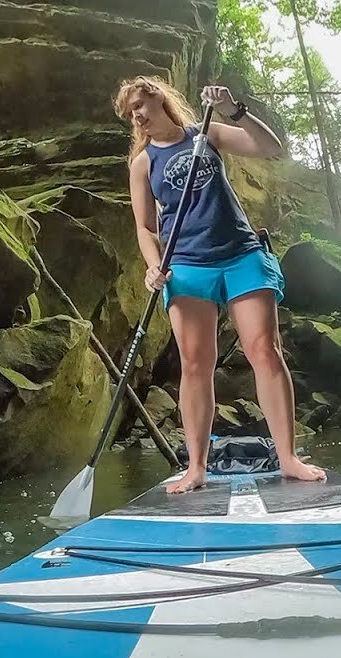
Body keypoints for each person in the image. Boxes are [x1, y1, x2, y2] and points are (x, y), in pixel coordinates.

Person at [112, 75, 327, 493]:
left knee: (264, 349)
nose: (137, 114)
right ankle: (196, 468)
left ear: (160, 98)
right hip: (187, 267)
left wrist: (234, 109)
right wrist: (153, 265)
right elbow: (144, 226)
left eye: (141, 103)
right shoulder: (143, 164)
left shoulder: (204, 132)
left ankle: (288, 458)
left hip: (242, 254)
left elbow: (271, 148)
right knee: (195, 364)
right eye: (130, 112)